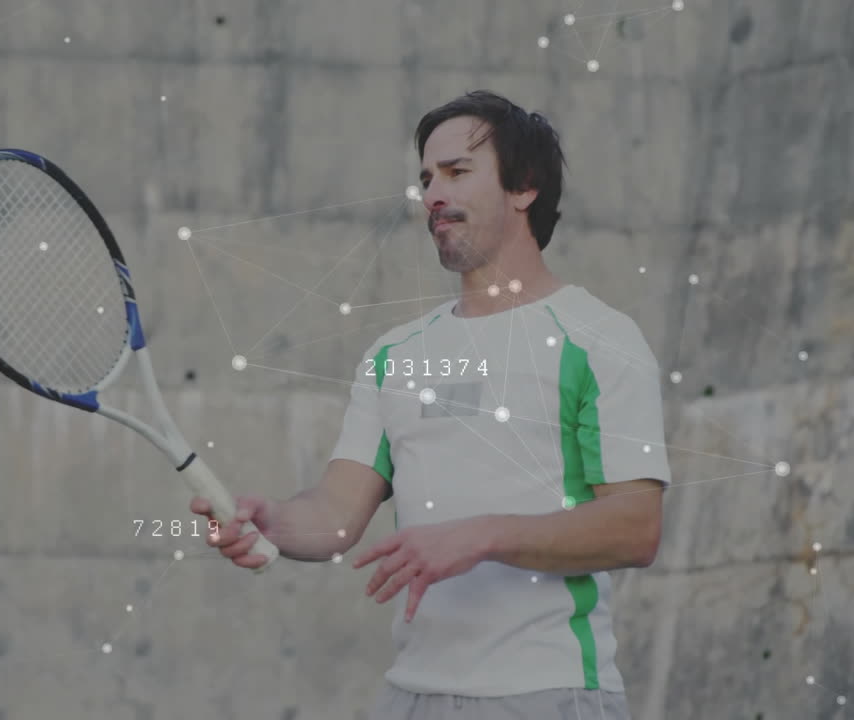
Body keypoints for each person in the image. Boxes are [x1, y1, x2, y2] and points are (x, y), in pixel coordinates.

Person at [191, 90, 671, 720]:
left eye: (457, 172)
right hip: (411, 697)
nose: (432, 194)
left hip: (551, 695)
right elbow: (335, 515)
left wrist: (482, 536)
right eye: (426, 179)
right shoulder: (394, 355)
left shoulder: (599, 339)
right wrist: (270, 522)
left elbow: (635, 527)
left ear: (524, 186)